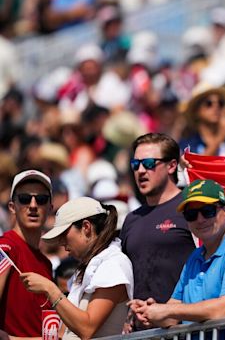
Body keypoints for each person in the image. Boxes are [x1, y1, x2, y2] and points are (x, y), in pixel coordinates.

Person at [130, 179, 225, 339]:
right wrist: (150, 312)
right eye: (191, 214)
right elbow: (173, 316)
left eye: (208, 211)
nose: (200, 219)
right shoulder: (195, 257)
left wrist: (166, 310)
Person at [21, 196, 133, 338]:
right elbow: (63, 336)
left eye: (64, 234)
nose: (61, 242)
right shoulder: (88, 268)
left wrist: (49, 289)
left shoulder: (114, 264)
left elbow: (87, 329)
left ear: (86, 227)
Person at [120, 133, 196, 330]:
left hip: (184, 329)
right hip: (141, 332)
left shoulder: (194, 208)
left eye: (149, 163)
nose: (141, 171)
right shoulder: (131, 219)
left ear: (172, 166)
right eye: (135, 164)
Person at [0, 170, 53, 337]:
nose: (33, 205)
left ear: (50, 208)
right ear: (12, 207)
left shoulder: (46, 263)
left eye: (41, 199)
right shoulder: (5, 248)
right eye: (24, 199)